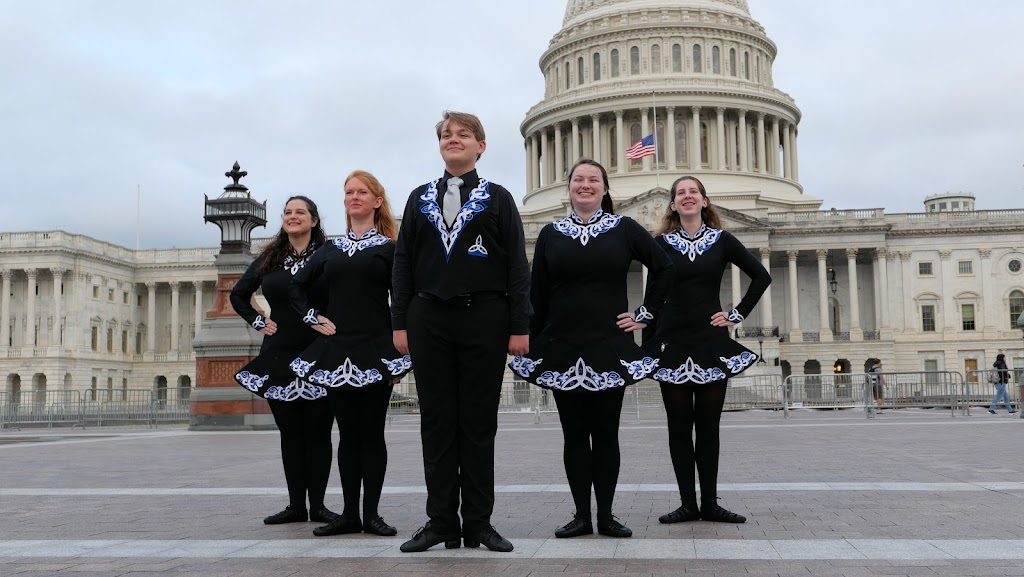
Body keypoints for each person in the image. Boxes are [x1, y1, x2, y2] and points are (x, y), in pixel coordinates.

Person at [509, 158, 673, 539]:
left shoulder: (624, 228)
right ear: (568, 187)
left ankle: (607, 516)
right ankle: (581, 515)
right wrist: (527, 339)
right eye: (578, 179)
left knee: (606, 434)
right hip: (562, 346)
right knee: (573, 436)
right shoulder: (551, 233)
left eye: (593, 180)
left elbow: (664, 267)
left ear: (604, 188)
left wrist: (645, 314)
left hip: (607, 346)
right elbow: (538, 292)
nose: (585, 185)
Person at [391, 111, 530, 553]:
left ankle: (479, 523)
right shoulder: (418, 198)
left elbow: (516, 268)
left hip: (483, 317)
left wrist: (518, 328)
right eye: (447, 135)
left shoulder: (499, 198)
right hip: (428, 318)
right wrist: (399, 322)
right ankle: (440, 522)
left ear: (480, 147)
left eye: (463, 134)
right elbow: (403, 264)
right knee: (435, 424)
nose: (454, 140)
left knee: (477, 424)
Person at [286, 171, 412, 538]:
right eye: (348, 192)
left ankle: (371, 514)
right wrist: (313, 318)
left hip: (376, 349)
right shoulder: (330, 249)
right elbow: (296, 285)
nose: (353, 197)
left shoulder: (390, 249)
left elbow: (403, 301)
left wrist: (403, 353)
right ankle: (349, 514)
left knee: (371, 433)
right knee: (346, 434)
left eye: (362, 192)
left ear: (377, 201)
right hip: (337, 350)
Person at [643, 175, 770, 525]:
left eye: (693, 192)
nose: (687, 197)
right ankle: (688, 503)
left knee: (709, 427)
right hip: (673, 343)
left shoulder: (722, 240)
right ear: (672, 204)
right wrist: (645, 331)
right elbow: (653, 294)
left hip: (710, 342)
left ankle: (710, 503)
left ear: (704, 201)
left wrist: (736, 313)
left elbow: (760, 276)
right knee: (679, 429)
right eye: (680, 193)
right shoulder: (661, 244)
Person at [231, 196, 339, 526]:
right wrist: (258, 320)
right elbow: (238, 294)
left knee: (319, 432)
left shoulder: (328, 256)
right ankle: (296, 505)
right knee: (290, 433)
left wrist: (333, 323)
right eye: (288, 213)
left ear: (314, 220)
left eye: (300, 212)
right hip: (279, 354)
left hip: (319, 352)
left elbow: (346, 294)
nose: (293, 217)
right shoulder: (270, 258)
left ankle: (318, 506)